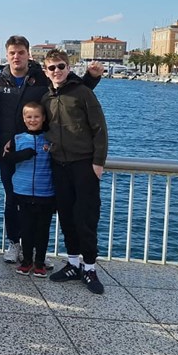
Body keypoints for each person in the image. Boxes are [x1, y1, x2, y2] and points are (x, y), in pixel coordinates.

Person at [0, 35, 102, 264]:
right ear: (6, 55)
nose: (16, 57)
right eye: (12, 53)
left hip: (42, 150)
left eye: (21, 52)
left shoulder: (42, 77)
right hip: (10, 150)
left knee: (44, 201)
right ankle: (14, 243)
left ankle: (39, 251)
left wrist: (91, 77)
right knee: (12, 198)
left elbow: (70, 89)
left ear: (28, 54)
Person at [40, 49, 108, 294]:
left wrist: (98, 162)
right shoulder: (46, 98)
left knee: (86, 216)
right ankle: (72, 263)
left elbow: (99, 128)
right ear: (46, 72)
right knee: (67, 216)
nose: (57, 71)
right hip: (59, 164)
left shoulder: (83, 92)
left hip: (84, 164)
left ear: (68, 68)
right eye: (52, 68)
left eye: (61, 66)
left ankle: (89, 267)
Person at [2, 102, 54, 278]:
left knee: (42, 229)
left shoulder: (50, 139)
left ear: (43, 118)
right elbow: (7, 159)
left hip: (45, 192)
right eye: (29, 117)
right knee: (26, 228)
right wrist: (22, 155)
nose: (33, 120)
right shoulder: (17, 139)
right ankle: (26, 261)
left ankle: (40, 263)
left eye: (36, 116)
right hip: (22, 191)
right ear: (24, 119)